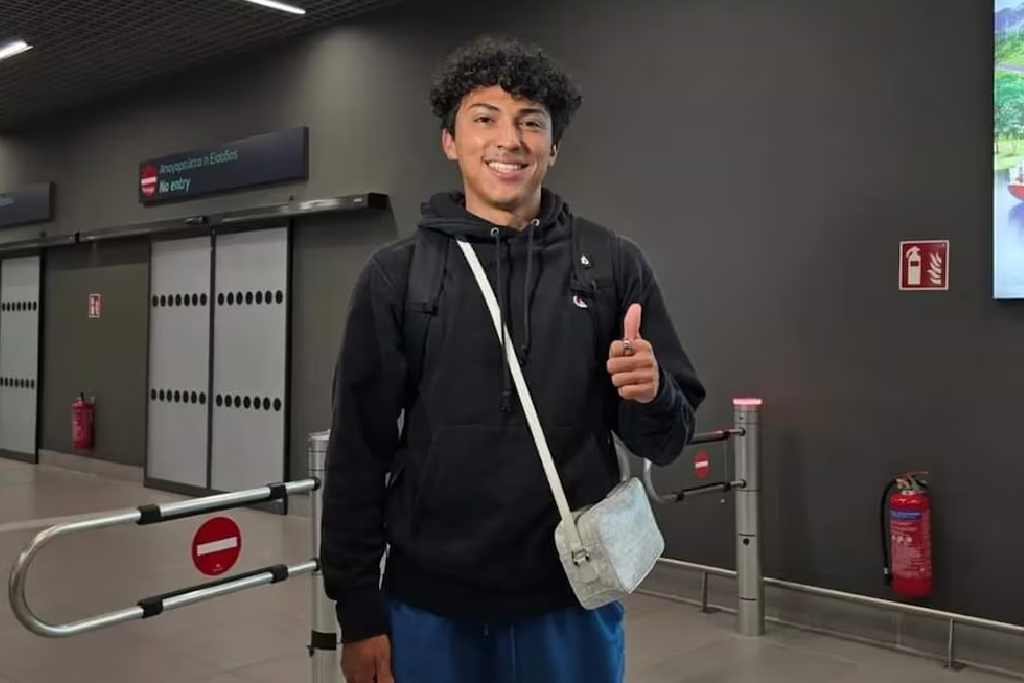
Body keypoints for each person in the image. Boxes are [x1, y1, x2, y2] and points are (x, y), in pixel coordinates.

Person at [321, 35, 705, 683]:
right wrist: (358, 609)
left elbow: (666, 441)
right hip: (429, 604)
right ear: (450, 140)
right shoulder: (399, 276)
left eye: (531, 122)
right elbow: (359, 450)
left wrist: (652, 393)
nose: (510, 140)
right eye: (485, 118)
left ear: (553, 147)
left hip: (572, 601)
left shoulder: (610, 265)